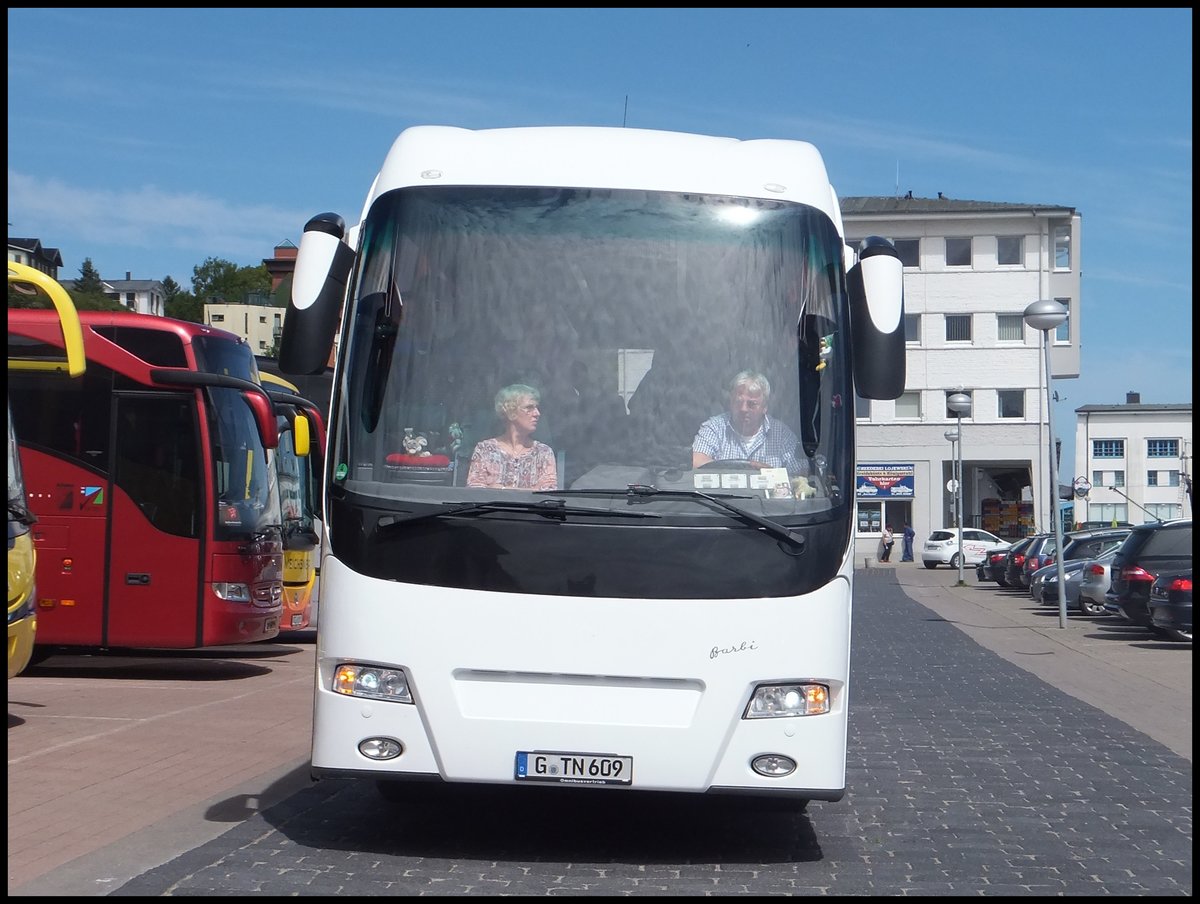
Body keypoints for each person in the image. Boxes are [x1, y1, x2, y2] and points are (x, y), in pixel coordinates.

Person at [691, 370, 807, 473]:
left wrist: (769, 474)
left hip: (768, 498)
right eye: (738, 402)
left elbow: (801, 474)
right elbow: (696, 462)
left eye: (752, 404)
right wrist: (748, 468)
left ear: (765, 407)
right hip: (722, 497)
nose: (743, 409)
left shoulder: (782, 434)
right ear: (730, 402)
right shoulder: (714, 427)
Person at [466, 384, 558, 490]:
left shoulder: (543, 453)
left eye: (537, 408)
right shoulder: (485, 450)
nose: (537, 413)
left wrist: (498, 489)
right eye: (529, 408)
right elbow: (475, 492)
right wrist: (531, 490)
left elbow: (547, 495)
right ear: (510, 411)